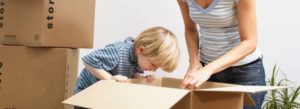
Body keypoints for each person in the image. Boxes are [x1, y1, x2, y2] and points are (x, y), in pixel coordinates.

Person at [177, 0, 266, 109]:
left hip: (244, 72)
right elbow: (190, 29)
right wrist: (194, 62)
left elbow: (250, 42)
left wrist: (208, 69)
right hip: (207, 72)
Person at [73, 26, 180, 109]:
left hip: (103, 97)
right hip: (86, 95)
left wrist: (142, 79)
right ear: (141, 50)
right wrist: (110, 79)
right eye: (153, 64)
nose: (153, 70)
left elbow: (134, 74)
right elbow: (88, 60)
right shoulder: (117, 53)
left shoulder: (140, 59)